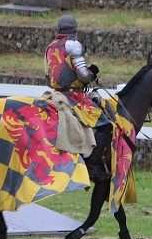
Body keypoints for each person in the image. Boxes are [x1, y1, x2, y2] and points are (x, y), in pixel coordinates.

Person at [45, 14, 111, 180]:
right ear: (74, 30)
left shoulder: (50, 47)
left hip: (55, 93)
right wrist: (92, 73)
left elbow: (48, 77)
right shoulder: (73, 45)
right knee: (105, 125)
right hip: (73, 96)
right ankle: (92, 165)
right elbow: (83, 76)